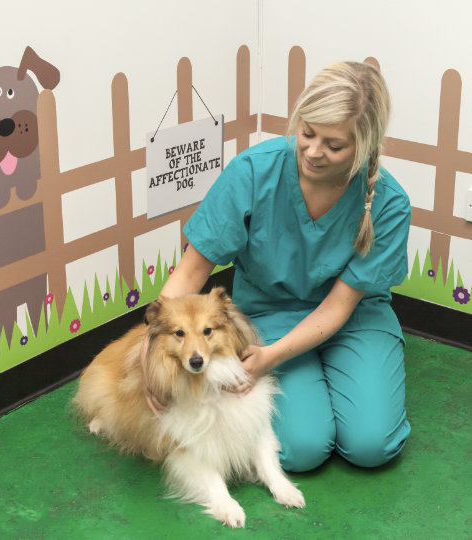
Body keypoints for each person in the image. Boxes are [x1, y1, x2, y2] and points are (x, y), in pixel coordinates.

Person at [160, 61, 411, 472]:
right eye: (307, 133)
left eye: (333, 145)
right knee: (301, 450)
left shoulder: (389, 203)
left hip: (353, 318)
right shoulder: (253, 173)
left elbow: (338, 307)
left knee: (371, 445)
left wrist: (271, 358)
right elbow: (190, 273)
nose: (313, 151)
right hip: (270, 312)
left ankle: (352, 378)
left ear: (364, 146)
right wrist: (150, 352)